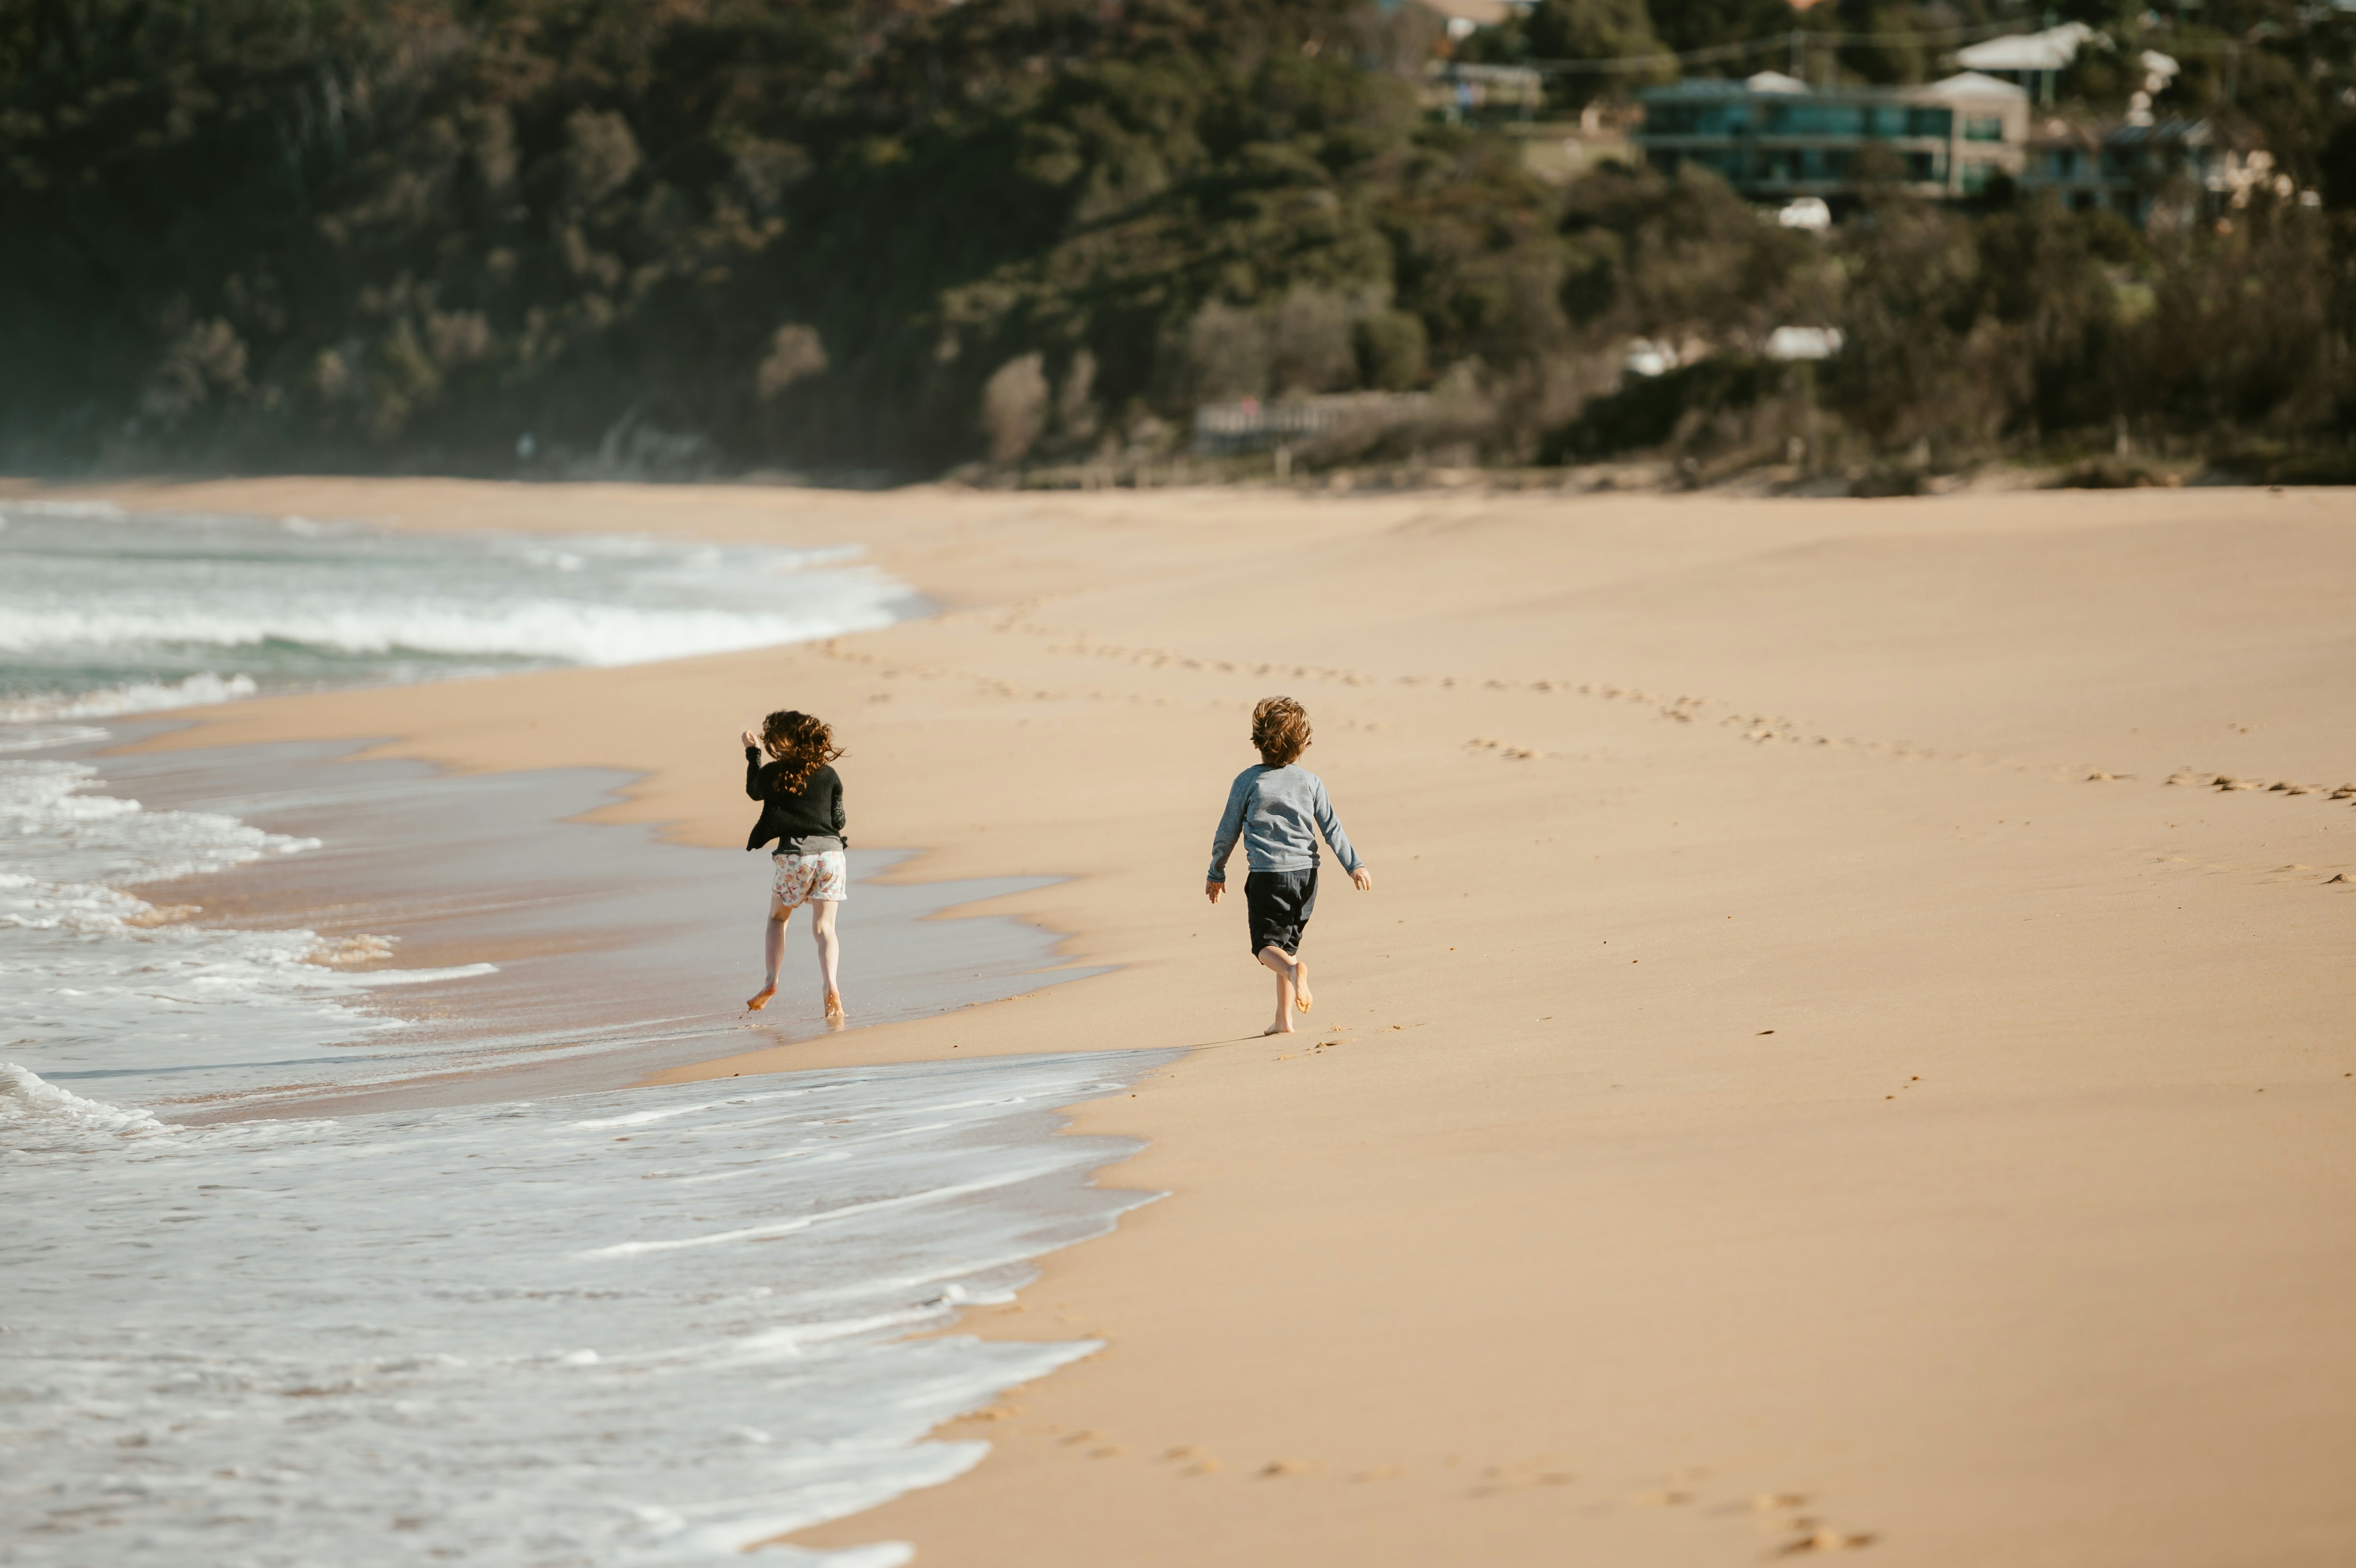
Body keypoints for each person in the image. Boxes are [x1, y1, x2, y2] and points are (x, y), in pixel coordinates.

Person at [1205, 696, 1373, 1036]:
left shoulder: (1249, 781)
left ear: (1258, 741)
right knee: (1286, 948)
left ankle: (1296, 975)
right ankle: (1283, 1020)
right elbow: (1331, 828)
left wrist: (1216, 871)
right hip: (1307, 878)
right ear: (1303, 744)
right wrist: (1353, 865)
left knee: (1265, 948)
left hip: (1268, 878)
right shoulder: (1310, 782)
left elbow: (1228, 830)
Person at [741, 710, 848, 1022]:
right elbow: (839, 820)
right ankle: (831, 985)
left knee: (777, 918)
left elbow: (754, 791)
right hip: (832, 856)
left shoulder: (773, 772)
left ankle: (771, 982)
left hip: (795, 857)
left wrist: (753, 753)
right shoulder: (829, 775)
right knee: (825, 928)